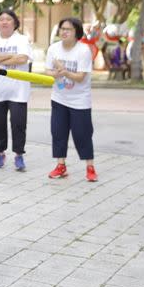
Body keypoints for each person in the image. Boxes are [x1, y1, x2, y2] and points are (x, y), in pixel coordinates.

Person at [45, 17, 97, 182]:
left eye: (69, 29)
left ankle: (90, 167)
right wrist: (55, 73)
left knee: (83, 134)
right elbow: (48, 71)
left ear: (77, 33)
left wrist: (64, 71)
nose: (64, 32)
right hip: (59, 98)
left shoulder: (83, 50)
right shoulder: (54, 49)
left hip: (80, 101)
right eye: (62, 29)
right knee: (58, 132)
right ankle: (61, 165)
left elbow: (81, 77)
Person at [0, 10, 32, 171]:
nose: (4, 22)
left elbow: (22, 58)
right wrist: (11, 56)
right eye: (1, 19)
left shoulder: (22, 39)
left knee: (18, 124)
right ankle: (0, 152)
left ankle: (19, 155)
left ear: (15, 23)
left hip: (19, 91)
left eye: (8, 19)